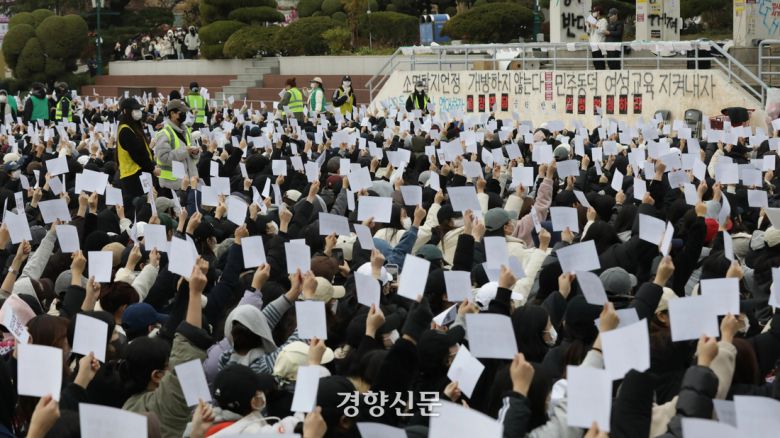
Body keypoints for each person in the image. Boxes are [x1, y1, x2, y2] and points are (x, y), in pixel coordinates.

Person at [115, 97, 157, 213]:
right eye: (135, 109)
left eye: (139, 109)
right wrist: (152, 168)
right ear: (125, 111)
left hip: (139, 174)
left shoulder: (133, 127)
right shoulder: (125, 130)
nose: (138, 111)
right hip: (132, 177)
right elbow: (137, 155)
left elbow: (142, 150)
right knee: (140, 207)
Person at [153, 99, 199, 194]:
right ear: (172, 114)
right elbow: (163, 158)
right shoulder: (164, 133)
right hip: (171, 185)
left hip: (188, 182)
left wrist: (196, 152)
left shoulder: (186, 131)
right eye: (181, 112)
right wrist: (185, 151)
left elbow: (194, 154)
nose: (185, 115)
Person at [588, 6, 608, 70]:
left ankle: (602, 75)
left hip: (599, 45)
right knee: (595, 62)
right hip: (593, 44)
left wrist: (596, 27)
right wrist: (588, 25)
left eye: (594, 12)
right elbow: (589, 32)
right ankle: (597, 76)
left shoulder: (603, 20)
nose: (592, 13)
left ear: (598, 12)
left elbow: (603, 31)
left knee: (600, 62)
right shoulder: (594, 20)